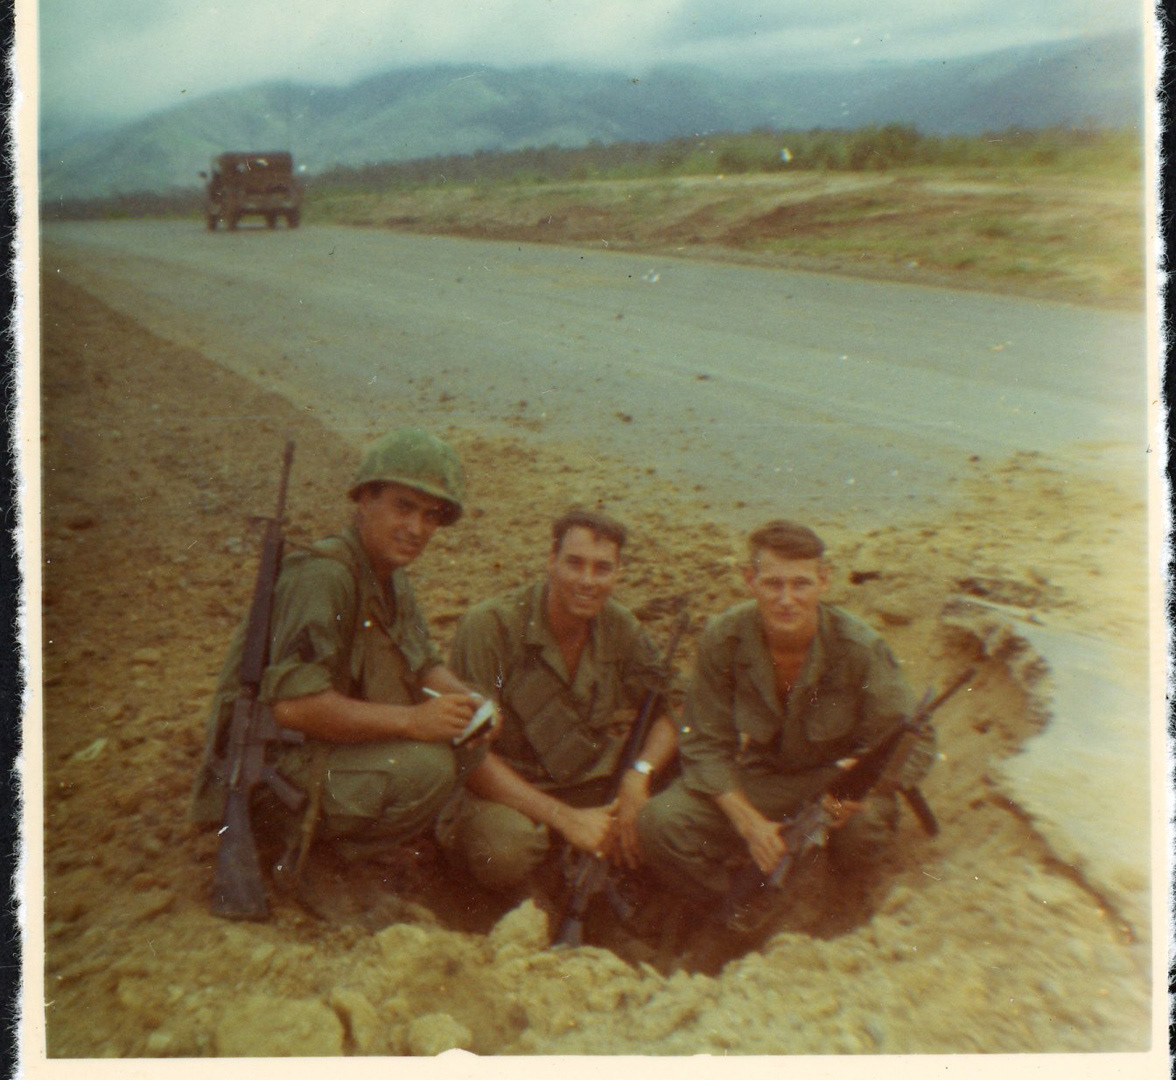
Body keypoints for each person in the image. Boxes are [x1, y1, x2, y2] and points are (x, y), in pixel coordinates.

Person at [191, 428, 486, 872]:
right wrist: (412, 721)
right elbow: (293, 707)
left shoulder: (388, 573)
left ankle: (347, 841)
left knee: (465, 743)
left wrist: (469, 703)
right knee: (430, 767)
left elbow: (421, 661)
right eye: (403, 507)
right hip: (269, 776)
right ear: (364, 499)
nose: (416, 529)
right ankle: (320, 859)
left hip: (320, 751)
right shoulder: (325, 575)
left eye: (430, 516)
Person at [637, 519, 935, 921]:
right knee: (660, 823)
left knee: (861, 838)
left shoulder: (859, 647)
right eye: (773, 584)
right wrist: (750, 825)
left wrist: (864, 786)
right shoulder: (724, 638)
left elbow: (915, 738)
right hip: (768, 781)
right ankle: (730, 910)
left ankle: (823, 906)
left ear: (824, 581)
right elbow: (705, 744)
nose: (787, 599)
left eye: (801, 584)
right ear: (750, 580)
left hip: (839, 787)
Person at [439, 509, 677, 898]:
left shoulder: (619, 627)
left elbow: (675, 705)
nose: (587, 581)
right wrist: (566, 820)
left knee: (681, 794)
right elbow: (471, 757)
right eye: (574, 564)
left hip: (588, 784)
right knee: (505, 852)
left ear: (617, 574)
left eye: (602, 569)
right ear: (551, 561)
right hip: (505, 793)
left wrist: (640, 773)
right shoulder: (490, 627)